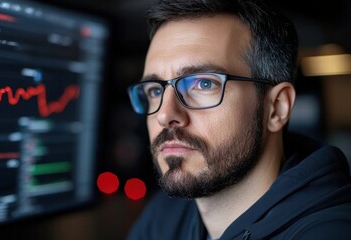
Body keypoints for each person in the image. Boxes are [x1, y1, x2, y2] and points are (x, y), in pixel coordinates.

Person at [125, 0, 351, 239]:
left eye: (203, 83)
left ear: (276, 108)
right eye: (155, 91)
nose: (165, 115)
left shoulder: (331, 232)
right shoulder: (164, 217)